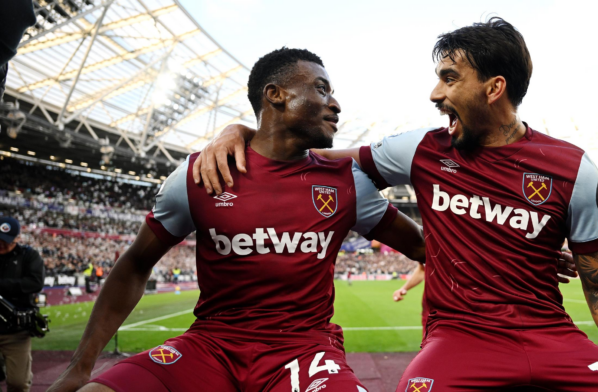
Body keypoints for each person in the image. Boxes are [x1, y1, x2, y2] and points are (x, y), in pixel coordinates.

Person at [195, 18, 598, 391]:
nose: (435, 93)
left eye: (449, 79)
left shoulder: (574, 169)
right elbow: (310, 156)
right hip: (459, 338)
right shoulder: (423, 148)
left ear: (493, 88)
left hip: (552, 336)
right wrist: (240, 131)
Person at [47, 47, 427, 392]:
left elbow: (425, 249)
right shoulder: (200, 174)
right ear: (275, 94)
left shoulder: (347, 182)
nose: (336, 104)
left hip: (305, 351)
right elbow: (135, 263)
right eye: (322, 89)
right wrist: (81, 366)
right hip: (209, 347)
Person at [0, 217, 45, 392]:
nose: (2, 245)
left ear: (17, 238)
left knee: (18, 383)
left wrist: (3, 285)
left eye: (6, 241)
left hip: (16, 330)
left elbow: (35, 283)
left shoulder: (29, 256)